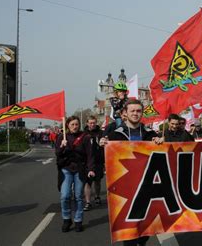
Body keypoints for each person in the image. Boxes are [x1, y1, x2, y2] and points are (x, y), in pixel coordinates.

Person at [100, 99, 159, 246]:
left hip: (147, 185)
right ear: (125, 113)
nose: (135, 114)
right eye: (132, 111)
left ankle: (141, 240)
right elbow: (104, 157)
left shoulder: (150, 134)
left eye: (138, 111)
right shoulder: (115, 135)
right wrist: (102, 145)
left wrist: (160, 142)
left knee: (146, 225)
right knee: (128, 229)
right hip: (125, 187)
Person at [55, 116, 95, 233]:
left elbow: (90, 154)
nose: (74, 127)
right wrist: (62, 146)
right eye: (72, 124)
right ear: (67, 125)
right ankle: (67, 219)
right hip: (66, 170)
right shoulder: (61, 137)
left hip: (80, 170)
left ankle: (78, 220)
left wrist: (91, 169)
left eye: (76, 124)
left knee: (78, 196)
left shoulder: (85, 137)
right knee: (65, 196)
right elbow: (57, 154)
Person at [83, 116, 104, 211]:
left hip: (98, 160)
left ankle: (97, 196)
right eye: (90, 123)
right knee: (87, 182)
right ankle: (88, 201)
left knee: (98, 181)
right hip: (87, 161)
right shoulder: (84, 134)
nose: (92, 124)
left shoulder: (100, 133)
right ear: (87, 123)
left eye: (94, 123)